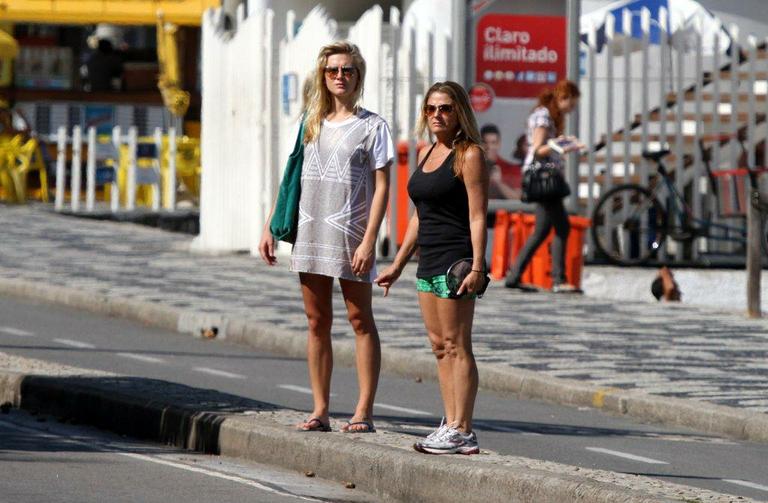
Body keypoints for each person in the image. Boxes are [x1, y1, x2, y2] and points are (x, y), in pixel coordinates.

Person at [259, 41, 394, 433]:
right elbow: (292, 178)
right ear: (323, 75)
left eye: (347, 70)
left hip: (350, 232)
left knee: (359, 318)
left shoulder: (373, 126)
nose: (340, 76)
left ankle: (363, 411)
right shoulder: (310, 121)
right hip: (310, 227)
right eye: (333, 70)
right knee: (316, 320)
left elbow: (383, 186)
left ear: (358, 76)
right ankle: (319, 409)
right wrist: (271, 224)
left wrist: (371, 239)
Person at [375, 81, 488, 455]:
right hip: (429, 261)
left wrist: (477, 264)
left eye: (445, 109)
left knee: (458, 344)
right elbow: (418, 218)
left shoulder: (468, 154)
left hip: (456, 261)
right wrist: (398, 264)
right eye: (431, 109)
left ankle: (463, 428)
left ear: (460, 113)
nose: (437, 115)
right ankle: (449, 421)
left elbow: (477, 215)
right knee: (439, 347)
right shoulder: (427, 152)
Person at [504, 80, 582, 293]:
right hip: (544, 177)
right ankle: (559, 279)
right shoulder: (543, 116)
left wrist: (563, 143)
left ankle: (514, 275)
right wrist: (561, 145)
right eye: (571, 104)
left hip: (545, 177)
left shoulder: (547, 116)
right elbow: (538, 148)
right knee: (562, 227)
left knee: (542, 230)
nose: (571, 109)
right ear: (562, 98)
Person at [481, 124, 521, 200]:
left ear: (499, 144)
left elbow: (517, 198)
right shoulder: (473, 168)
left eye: (493, 143)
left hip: (502, 211)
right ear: (479, 144)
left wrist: (499, 183)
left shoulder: (511, 169)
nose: (489, 147)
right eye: (485, 142)